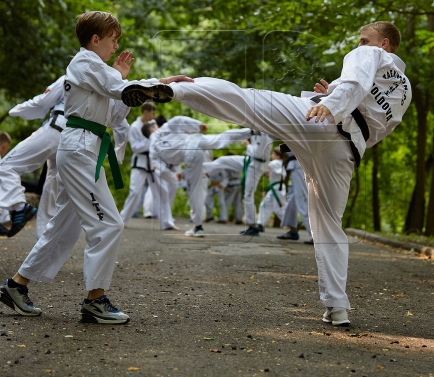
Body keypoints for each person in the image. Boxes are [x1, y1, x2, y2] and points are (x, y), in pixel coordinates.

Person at [122, 21, 411, 327]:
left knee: (245, 100)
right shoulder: (403, 93)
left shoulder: (372, 55)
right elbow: (371, 124)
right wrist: (335, 97)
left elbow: (355, 81)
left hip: (318, 121)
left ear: (384, 44)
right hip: (345, 152)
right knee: (329, 227)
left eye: (365, 39)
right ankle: (337, 308)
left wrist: (331, 102)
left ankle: (172, 88)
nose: (360, 44)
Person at [0, 10, 192, 323]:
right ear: (95, 39)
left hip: (86, 148)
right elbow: (119, 89)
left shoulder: (99, 72)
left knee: (63, 228)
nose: (116, 47)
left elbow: (115, 113)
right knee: (108, 224)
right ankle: (95, 299)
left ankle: (16, 286)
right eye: (113, 40)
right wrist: (153, 83)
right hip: (80, 149)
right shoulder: (84, 61)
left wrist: (145, 82)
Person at [0, 77, 129, 239]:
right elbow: (121, 123)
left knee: (6, 167)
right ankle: (44, 242)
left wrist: (16, 110)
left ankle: (19, 207)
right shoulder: (106, 87)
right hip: (76, 144)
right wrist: (118, 152)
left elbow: (42, 101)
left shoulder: (73, 75)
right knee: (51, 193)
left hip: (57, 130)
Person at [119, 102, 157, 224]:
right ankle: (121, 220)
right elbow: (135, 147)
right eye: (152, 113)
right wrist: (150, 140)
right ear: (145, 112)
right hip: (139, 163)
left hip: (152, 163)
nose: (153, 116)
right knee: (135, 193)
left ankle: (167, 222)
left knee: (162, 190)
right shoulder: (135, 127)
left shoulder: (153, 124)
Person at [240, 131, 274, 235]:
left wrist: (248, 145)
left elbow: (258, 153)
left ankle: (252, 225)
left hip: (256, 166)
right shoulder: (257, 134)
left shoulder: (264, 135)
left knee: (248, 195)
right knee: (247, 195)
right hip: (253, 164)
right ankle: (251, 224)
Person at [277, 151, 313, 243]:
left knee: (303, 200)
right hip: (296, 165)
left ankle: (317, 235)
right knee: (291, 200)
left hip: (300, 164)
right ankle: (293, 230)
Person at [203, 155, 245, 224]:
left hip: (230, 184)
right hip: (236, 183)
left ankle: (224, 218)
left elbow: (226, 177)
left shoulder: (225, 165)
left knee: (225, 202)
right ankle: (238, 218)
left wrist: (223, 185)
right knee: (236, 203)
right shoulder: (234, 163)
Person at [256, 146, 287, 229]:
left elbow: (266, 164)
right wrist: (269, 174)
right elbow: (278, 175)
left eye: (273, 154)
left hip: (278, 189)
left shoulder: (276, 163)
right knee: (264, 205)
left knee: (279, 209)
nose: (272, 155)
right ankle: (260, 224)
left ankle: (292, 223)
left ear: (278, 156)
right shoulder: (279, 164)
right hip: (274, 188)